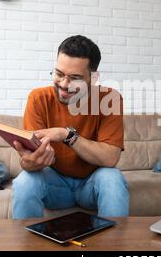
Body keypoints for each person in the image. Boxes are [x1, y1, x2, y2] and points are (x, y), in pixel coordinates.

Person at [12, 35, 129, 219]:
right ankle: (27, 246)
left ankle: (114, 245)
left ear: (93, 78)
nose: (64, 85)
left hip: (91, 184)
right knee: (25, 181)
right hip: (55, 185)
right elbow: (29, 161)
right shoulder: (38, 99)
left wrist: (66, 135)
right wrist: (28, 162)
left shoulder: (109, 99)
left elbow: (110, 158)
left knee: (112, 178)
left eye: (75, 78)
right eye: (59, 74)